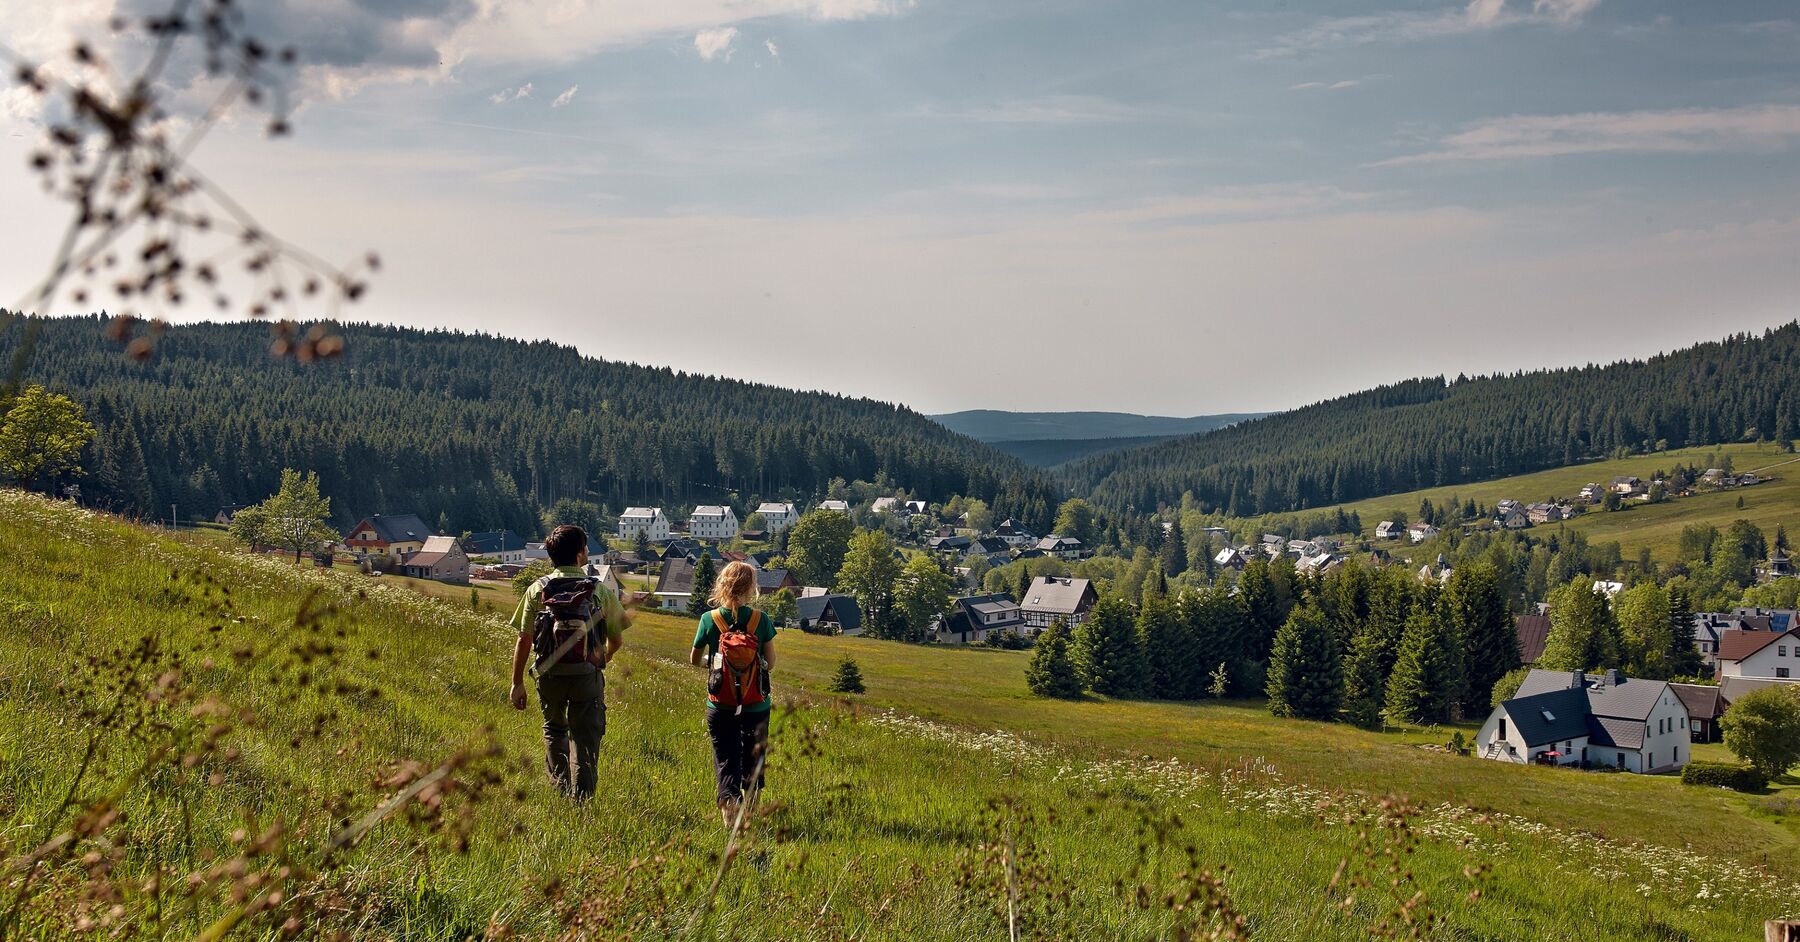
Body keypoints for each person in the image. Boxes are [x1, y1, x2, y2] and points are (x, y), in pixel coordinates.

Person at [509, 525, 631, 800]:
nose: (587, 551)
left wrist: (517, 683)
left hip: (549, 675)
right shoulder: (598, 590)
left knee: (554, 729)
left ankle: (561, 790)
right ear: (579, 555)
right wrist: (605, 657)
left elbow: (524, 639)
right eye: (586, 547)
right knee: (585, 738)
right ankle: (582, 801)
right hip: (587, 675)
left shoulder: (537, 589)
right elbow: (618, 638)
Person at [689, 560, 777, 828]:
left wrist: (715, 663)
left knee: (726, 755)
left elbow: (694, 659)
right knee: (754, 754)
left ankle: (729, 808)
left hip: (720, 703)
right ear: (752, 588)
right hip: (756, 704)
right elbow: (770, 663)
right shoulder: (760, 620)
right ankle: (751, 808)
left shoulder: (709, 619)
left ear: (722, 586)